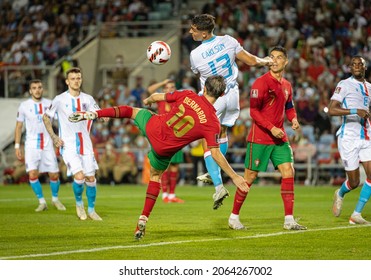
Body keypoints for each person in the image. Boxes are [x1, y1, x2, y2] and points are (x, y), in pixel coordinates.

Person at [68, 75, 249, 240]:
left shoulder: (188, 94)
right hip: (164, 149)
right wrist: (234, 176)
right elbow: (215, 153)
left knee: (130, 111)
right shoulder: (213, 124)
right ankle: (143, 219)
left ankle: (94, 114)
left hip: (155, 126)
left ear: (205, 88)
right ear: (222, 94)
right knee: (155, 177)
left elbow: (156, 97)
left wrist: (148, 100)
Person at [189, 14, 274, 204]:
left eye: (193, 29)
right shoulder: (228, 40)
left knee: (207, 138)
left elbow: (196, 73)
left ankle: (218, 185)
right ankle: (215, 170)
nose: (190, 32)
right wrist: (266, 61)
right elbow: (251, 61)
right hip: (232, 94)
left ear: (203, 34)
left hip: (213, 97)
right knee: (223, 132)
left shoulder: (195, 54)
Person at [228, 46, 307, 231]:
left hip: (280, 138)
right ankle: (233, 217)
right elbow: (254, 111)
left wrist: (293, 119)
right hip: (260, 137)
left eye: (279, 57)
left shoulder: (287, 85)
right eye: (272, 57)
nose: (274, 60)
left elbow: (289, 106)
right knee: (250, 177)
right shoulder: (260, 83)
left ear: (286, 61)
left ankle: (289, 220)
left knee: (288, 172)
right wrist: (271, 128)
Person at [43, 67, 103, 221]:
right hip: (68, 144)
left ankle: (91, 210)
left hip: (86, 144)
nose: (77, 81)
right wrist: (54, 137)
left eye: (79, 78)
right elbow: (45, 117)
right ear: (67, 81)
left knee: (90, 178)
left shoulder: (88, 99)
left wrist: (103, 116)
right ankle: (79, 204)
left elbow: (100, 114)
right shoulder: (59, 99)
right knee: (80, 175)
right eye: (73, 78)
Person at [328, 55, 371, 224]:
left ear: (365, 68)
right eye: (354, 64)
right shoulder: (344, 84)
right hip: (349, 137)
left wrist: (363, 114)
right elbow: (332, 110)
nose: (357, 66)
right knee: (355, 181)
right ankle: (340, 193)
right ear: (350, 68)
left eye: (360, 64)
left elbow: (366, 108)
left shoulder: (370, 87)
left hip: (367, 135)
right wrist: (354, 111)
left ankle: (356, 214)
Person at [14, 79, 66, 212]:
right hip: (31, 145)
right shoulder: (24, 106)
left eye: (39, 87)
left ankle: (55, 199)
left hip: (48, 145)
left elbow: (61, 122)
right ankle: (42, 202)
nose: (37, 90)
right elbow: (19, 126)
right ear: (30, 90)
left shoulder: (50, 104)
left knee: (54, 175)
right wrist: (17, 145)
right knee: (32, 173)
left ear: (43, 89)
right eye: (34, 88)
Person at [147, 79, 184, 203]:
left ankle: (172, 195)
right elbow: (150, 90)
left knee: (175, 167)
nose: (170, 89)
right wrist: (163, 82)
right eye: (167, 87)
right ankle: (164, 195)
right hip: (163, 137)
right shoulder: (161, 100)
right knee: (165, 167)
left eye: (173, 87)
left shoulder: (178, 100)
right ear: (164, 90)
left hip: (177, 136)